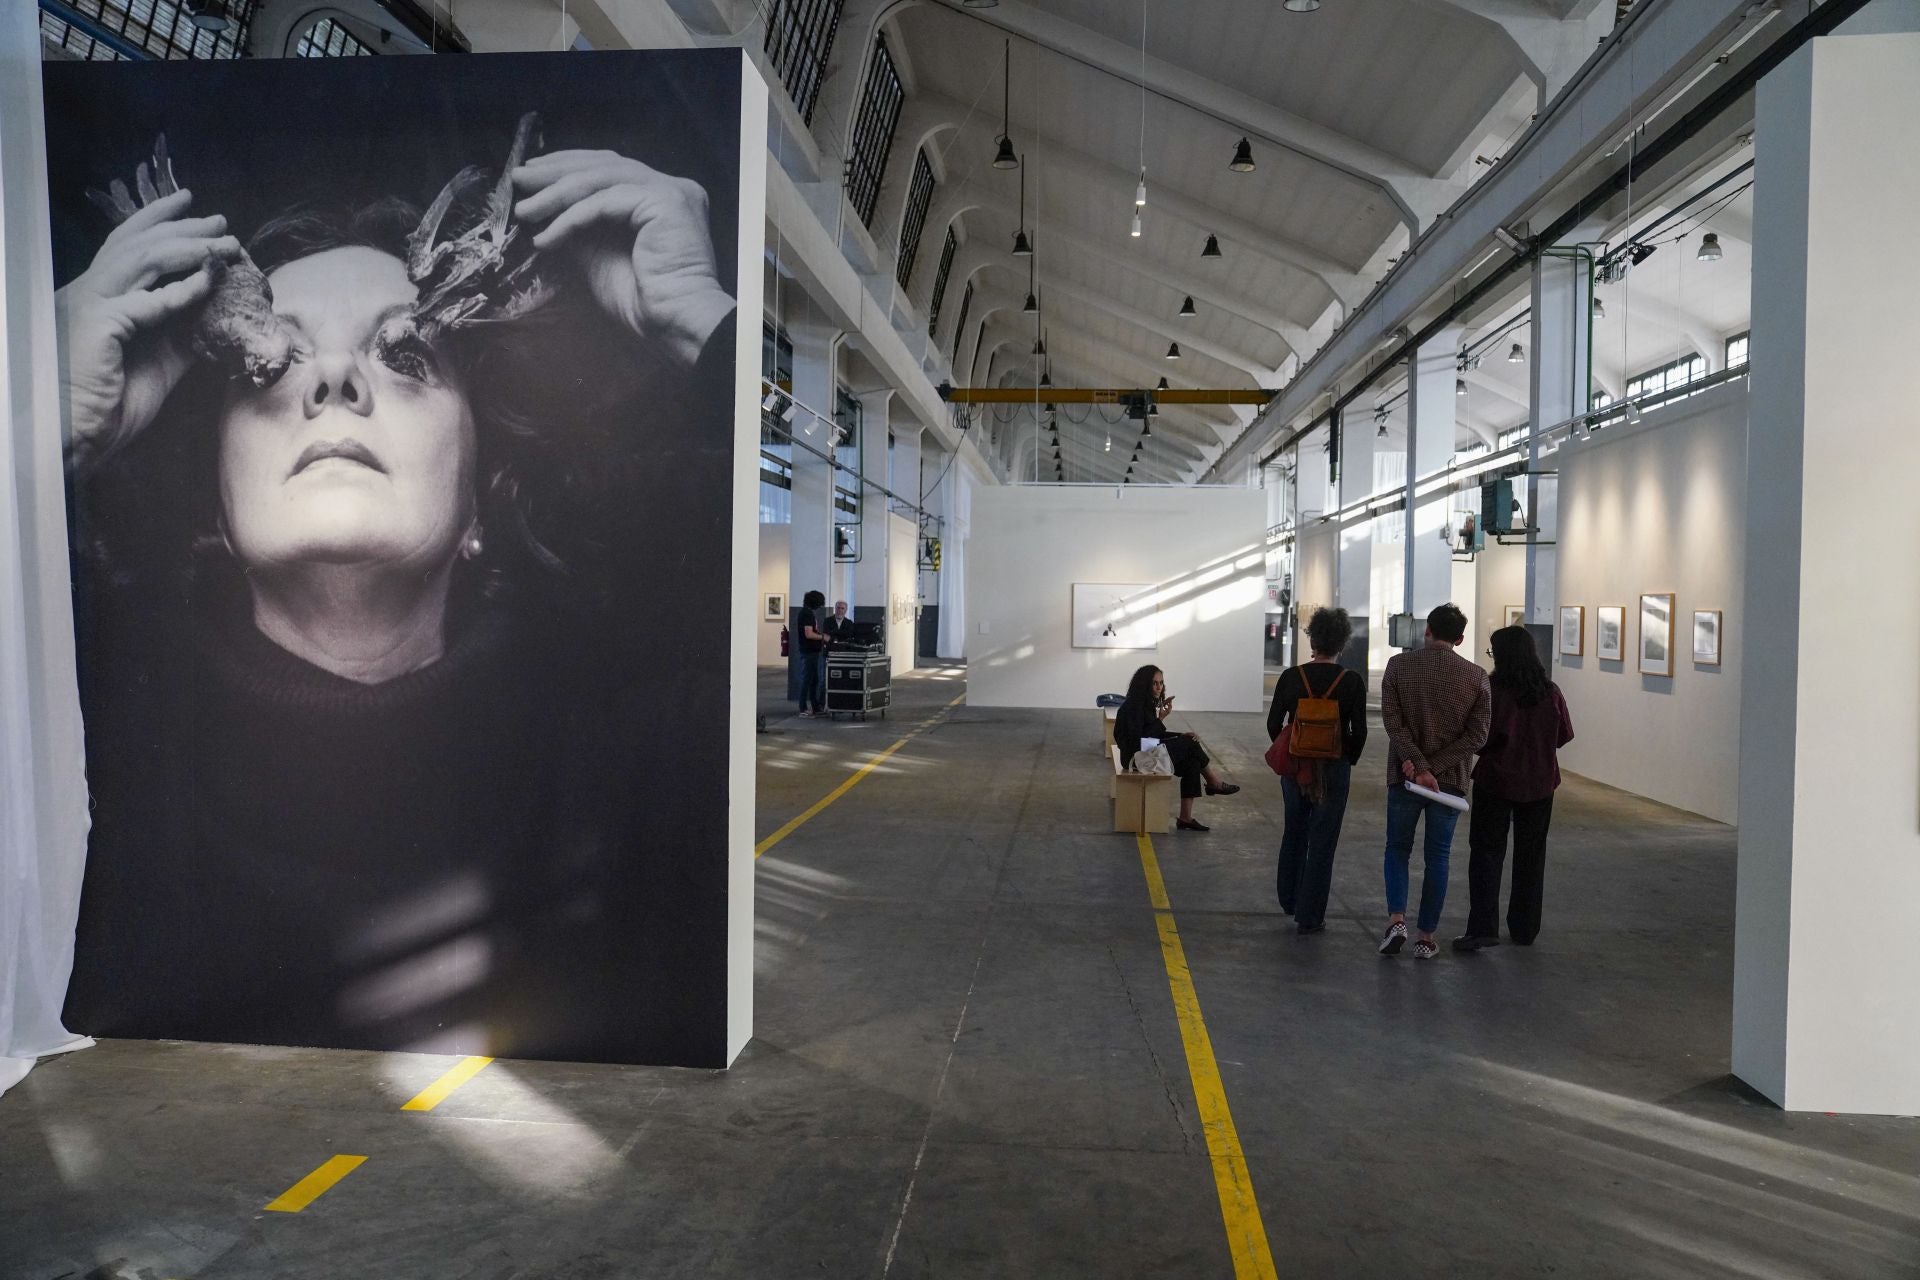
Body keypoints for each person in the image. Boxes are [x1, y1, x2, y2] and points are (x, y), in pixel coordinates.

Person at [54, 135, 740, 1061]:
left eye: (406, 353)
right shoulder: (74, 754)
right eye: (273, 363)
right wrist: (38, 424)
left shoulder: (657, 772)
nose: (334, 381)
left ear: (480, 498)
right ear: (210, 504)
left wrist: (701, 322)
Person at [1378, 603, 1491, 958]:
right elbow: (1478, 737)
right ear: (1459, 638)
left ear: (1427, 630)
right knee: (1438, 858)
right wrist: (1437, 768)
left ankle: (1397, 919)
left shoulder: (1398, 665)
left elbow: (1393, 724)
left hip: (1406, 776)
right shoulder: (1476, 677)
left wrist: (1419, 765)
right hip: (1450, 784)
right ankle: (1426, 937)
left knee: (1397, 849)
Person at [1455, 626, 1575, 950]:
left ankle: (1483, 929)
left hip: (1496, 781)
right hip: (1540, 784)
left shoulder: (1492, 690)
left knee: (1486, 855)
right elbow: (1563, 735)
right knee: (1531, 857)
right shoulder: (1550, 692)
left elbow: (1478, 738)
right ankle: (1525, 929)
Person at [1268, 608, 1368, 934]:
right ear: (1342, 643)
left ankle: (1289, 898)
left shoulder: (1291, 677)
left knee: (1293, 830)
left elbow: (1273, 724)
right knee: (1323, 841)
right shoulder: (1351, 681)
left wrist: (1295, 750)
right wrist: (1343, 759)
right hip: (1333, 769)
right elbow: (1360, 731)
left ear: (1312, 638)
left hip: (1296, 768)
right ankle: (1310, 916)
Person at [1114, 664, 1239, 832]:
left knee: (1192, 761)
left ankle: (1185, 818)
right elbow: (1139, 741)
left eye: (1161, 683)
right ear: (1144, 684)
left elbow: (1153, 735)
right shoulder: (1133, 708)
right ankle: (1213, 782)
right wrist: (1162, 719)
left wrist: (1180, 735)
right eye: (1154, 683)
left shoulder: (1146, 704)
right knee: (1191, 744)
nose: (1159, 687)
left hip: (1146, 753)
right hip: (1135, 759)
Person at [796, 589, 829, 716]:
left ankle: (815, 707)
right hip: (808, 651)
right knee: (807, 679)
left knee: (814, 680)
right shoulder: (806, 614)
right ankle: (803, 708)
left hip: (812, 651)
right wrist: (823, 637)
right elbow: (808, 634)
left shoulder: (807, 613)